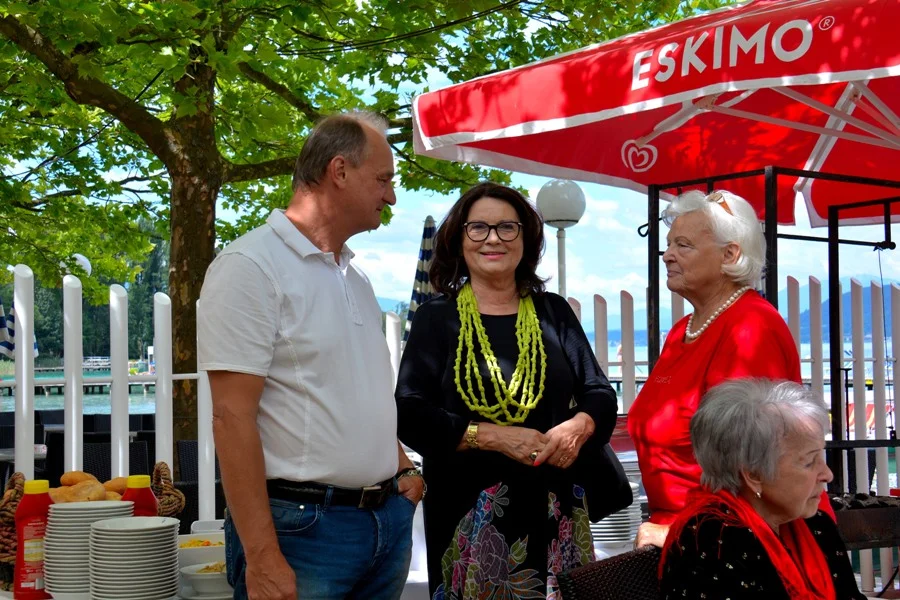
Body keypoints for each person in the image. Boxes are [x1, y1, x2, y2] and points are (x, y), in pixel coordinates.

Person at [197, 111, 424, 600]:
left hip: (383, 520)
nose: (391, 196)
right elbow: (230, 418)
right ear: (338, 172)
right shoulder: (249, 267)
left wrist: (401, 467)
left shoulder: (355, 277)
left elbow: (348, 393)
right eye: (383, 180)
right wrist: (261, 556)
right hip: (303, 531)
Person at [395, 182, 618, 599]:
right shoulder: (437, 318)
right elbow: (409, 412)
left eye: (507, 227)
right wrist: (494, 437)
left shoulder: (554, 312)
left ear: (526, 238)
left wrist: (580, 426)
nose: (493, 238)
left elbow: (600, 392)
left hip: (558, 513)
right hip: (469, 518)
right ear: (459, 240)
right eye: (477, 228)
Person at [627, 189, 832, 549]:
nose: (667, 255)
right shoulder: (683, 331)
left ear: (730, 254)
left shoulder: (750, 327)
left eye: (683, 245)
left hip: (736, 546)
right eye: (669, 243)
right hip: (689, 537)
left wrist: (686, 532)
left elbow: (760, 470)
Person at [660, 378, 865, 600]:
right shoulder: (713, 539)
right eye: (809, 462)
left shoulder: (814, 524)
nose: (827, 474)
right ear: (754, 474)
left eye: (821, 457)